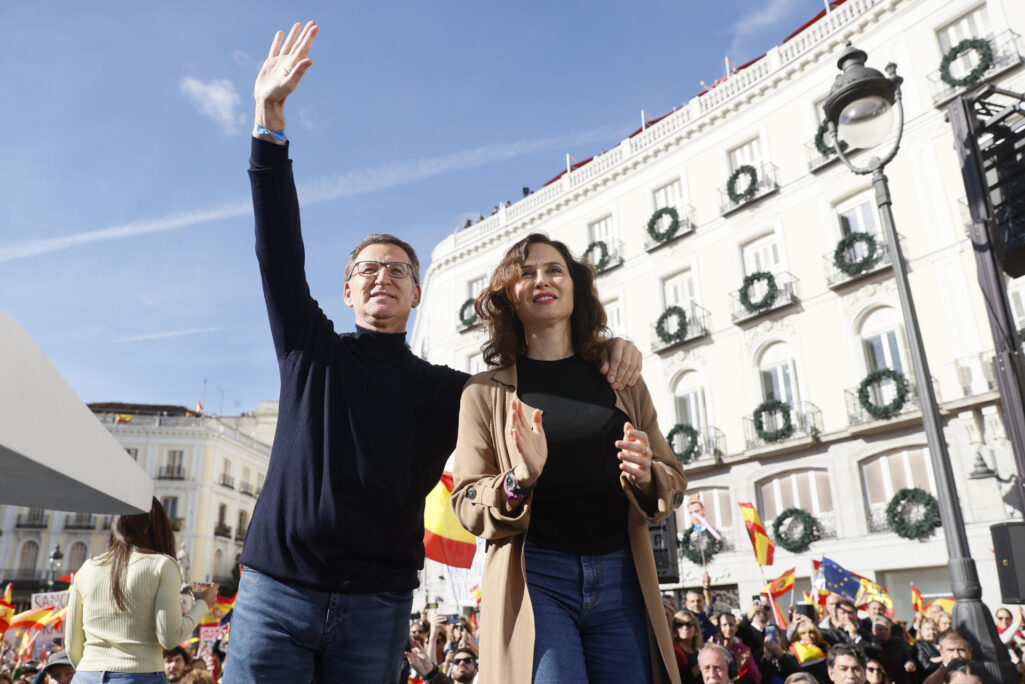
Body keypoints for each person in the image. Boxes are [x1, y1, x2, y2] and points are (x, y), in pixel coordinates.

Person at [226, 21, 643, 684]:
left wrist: (605, 349)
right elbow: (277, 250)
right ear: (346, 290)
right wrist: (268, 123)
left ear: (417, 292)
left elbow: (544, 395)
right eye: (367, 269)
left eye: (398, 269)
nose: (382, 276)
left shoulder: (454, 390)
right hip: (277, 593)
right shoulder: (310, 350)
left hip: (378, 605)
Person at [451, 233, 686, 683]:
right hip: (536, 579)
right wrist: (518, 480)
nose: (542, 279)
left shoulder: (621, 378)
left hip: (622, 577)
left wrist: (646, 475)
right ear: (509, 297)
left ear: (575, 287)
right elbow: (466, 501)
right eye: (526, 273)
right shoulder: (483, 392)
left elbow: (672, 479)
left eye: (554, 269)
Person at [65, 499, 216, 684]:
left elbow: (72, 646)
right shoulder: (162, 565)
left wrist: (92, 671)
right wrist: (202, 604)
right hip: (139, 675)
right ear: (158, 526)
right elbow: (169, 638)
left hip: (86, 676)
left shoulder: (87, 568)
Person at [715, 612, 761, 684]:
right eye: (724, 625)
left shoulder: (743, 649)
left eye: (731, 625)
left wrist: (747, 663)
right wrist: (737, 665)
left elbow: (757, 678)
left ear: (736, 628)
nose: (728, 628)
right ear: (719, 628)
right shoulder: (713, 648)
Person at [790, 620, 830, 684]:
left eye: (811, 632)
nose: (808, 636)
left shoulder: (825, 645)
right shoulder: (795, 649)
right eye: (803, 633)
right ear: (798, 636)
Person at [672, 610, 704, 684]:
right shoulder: (673, 650)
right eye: (680, 624)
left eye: (689, 624)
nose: (685, 627)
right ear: (675, 629)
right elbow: (681, 677)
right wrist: (702, 663)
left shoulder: (700, 650)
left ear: (695, 628)